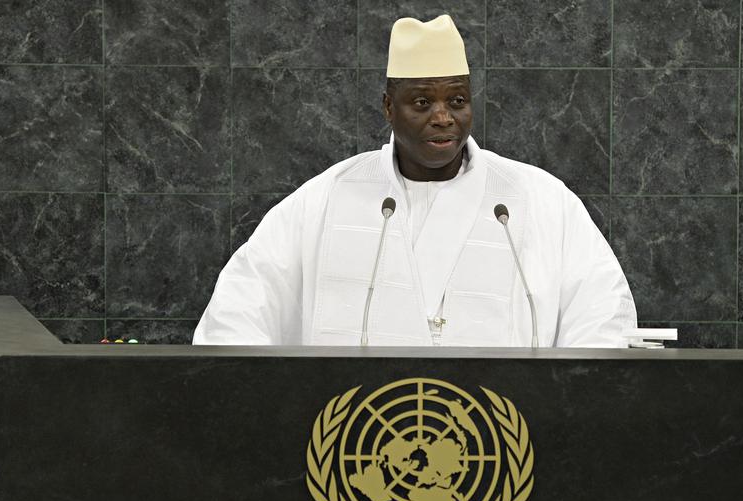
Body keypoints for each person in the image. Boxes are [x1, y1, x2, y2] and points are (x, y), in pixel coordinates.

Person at [193, 15, 637, 347]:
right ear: (389, 107)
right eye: (422, 101)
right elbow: (238, 314)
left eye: (457, 99)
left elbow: (603, 317)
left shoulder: (539, 201)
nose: (443, 117)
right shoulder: (326, 199)